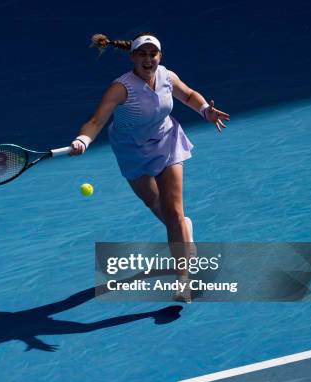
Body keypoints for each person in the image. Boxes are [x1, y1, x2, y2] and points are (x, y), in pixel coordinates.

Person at [70, 33, 230, 301]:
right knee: (158, 208)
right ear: (132, 57)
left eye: (152, 54)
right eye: (142, 54)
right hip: (131, 151)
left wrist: (205, 111)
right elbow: (96, 121)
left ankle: (183, 281)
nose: (148, 59)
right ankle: (183, 229)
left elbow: (189, 95)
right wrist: (82, 139)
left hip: (166, 142)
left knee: (173, 211)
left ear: (160, 56)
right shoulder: (120, 88)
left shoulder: (167, 77)